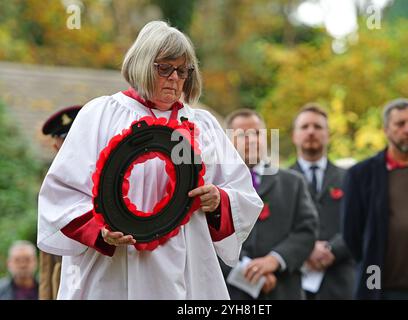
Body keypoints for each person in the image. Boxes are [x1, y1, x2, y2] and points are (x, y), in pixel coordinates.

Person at [37, 21, 263, 299]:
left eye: (183, 70)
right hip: (115, 268)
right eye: (164, 68)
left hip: (187, 269)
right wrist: (100, 229)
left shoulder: (204, 125)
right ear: (142, 65)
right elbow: (61, 193)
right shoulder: (100, 114)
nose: (174, 78)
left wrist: (218, 200)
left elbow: (243, 195)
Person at [342, 98, 408, 300]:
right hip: (383, 291)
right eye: (400, 124)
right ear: (386, 130)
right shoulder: (362, 175)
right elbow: (352, 234)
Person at [221, 109, 318, 300]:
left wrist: (274, 260)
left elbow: (307, 231)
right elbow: (206, 239)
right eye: (242, 135)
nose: (252, 140)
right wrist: (247, 272)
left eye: (257, 133)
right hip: (231, 293)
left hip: (283, 289)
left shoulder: (293, 183)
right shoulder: (215, 185)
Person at [290, 103, 355, 300]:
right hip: (295, 283)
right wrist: (306, 250)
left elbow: (358, 223)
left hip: (341, 281)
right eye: (305, 127)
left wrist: (332, 249)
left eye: (318, 127)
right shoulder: (282, 181)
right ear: (294, 135)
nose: (311, 132)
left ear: (328, 134)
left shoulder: (350, 178)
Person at [39, 105, 82, 300]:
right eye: (64, 139)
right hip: (65, 276)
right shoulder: (51, 184)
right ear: (55, 146)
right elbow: (46, 258)